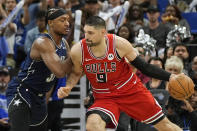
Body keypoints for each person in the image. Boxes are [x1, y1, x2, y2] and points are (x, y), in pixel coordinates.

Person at [58, 16, 183, 131]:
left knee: (165, 126)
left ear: (103, 32)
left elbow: (144, 67)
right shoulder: (78, 50)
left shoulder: (119, 44)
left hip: (131, 91)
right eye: (85, 32)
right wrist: (69, 86)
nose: (86, 36)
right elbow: (76, 73)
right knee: (92, 125)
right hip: (104, 96)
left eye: (91, 33)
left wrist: (170, 76)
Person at [6, 7, 72, 131]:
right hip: (21, 91)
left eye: (68, 20)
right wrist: (75, 56)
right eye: (62, 20)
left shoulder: (65, 44)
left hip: (40, 96)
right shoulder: (43, 42)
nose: (67, 23)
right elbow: (59, 72)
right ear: (51, 23)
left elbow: (74, 71)